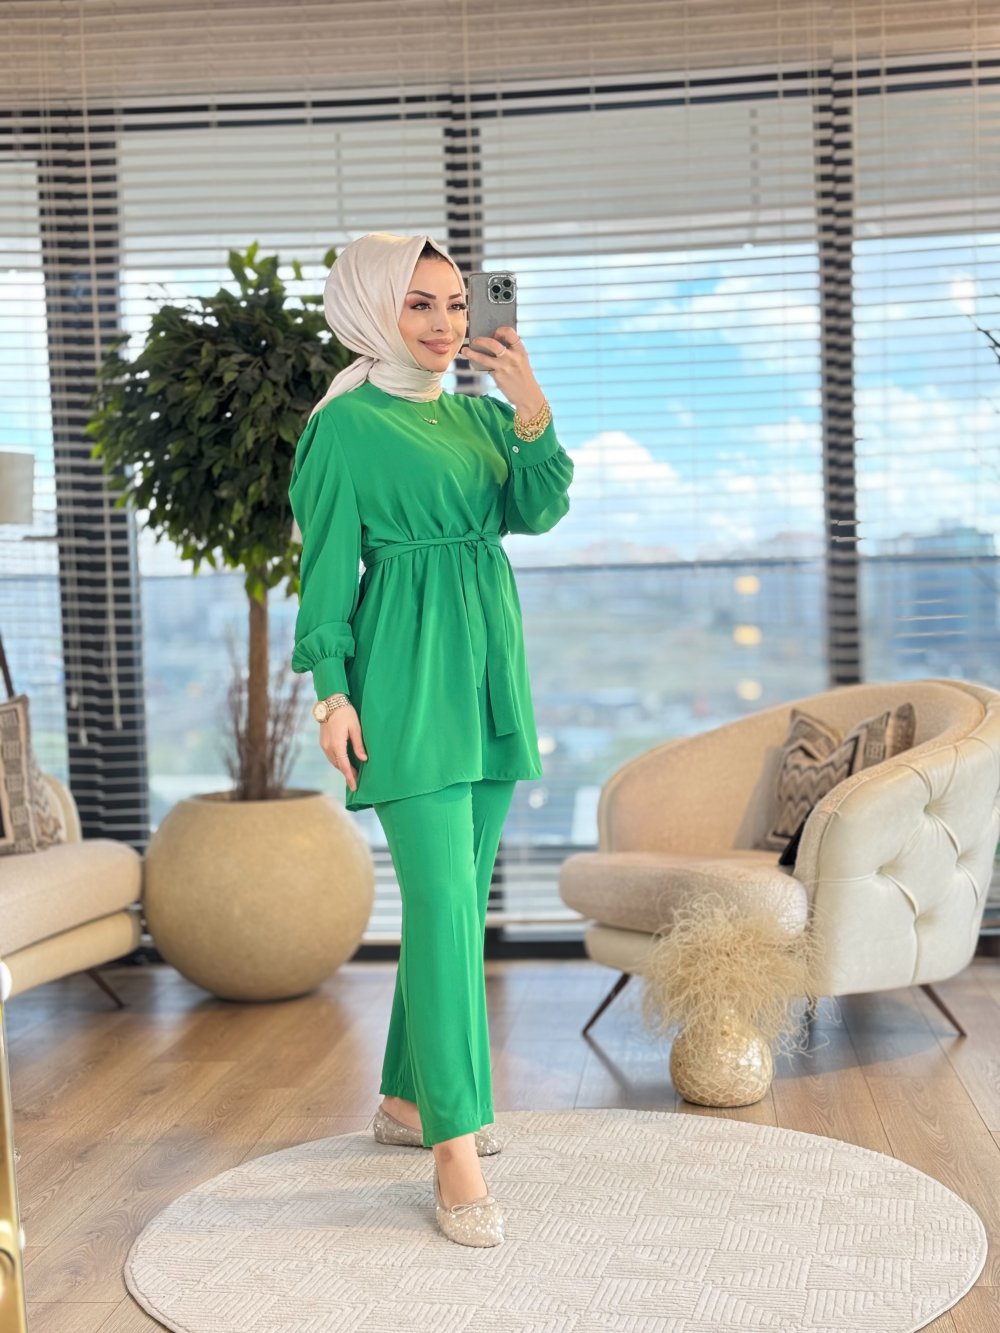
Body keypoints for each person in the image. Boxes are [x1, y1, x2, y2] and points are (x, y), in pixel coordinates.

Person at [288, 232, 574, 1246]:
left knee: (456, 898)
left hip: (489, 670)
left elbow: (537, 509)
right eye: (420, 303)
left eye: (456, 303)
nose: (446, 323)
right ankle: (455, 1146)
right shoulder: (343, 428)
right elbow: (325, 570)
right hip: (405, 681)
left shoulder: (483, 416)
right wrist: (332, 695)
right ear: (374, 308)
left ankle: (409, 1100)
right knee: (447, 905)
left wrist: (530, 404)